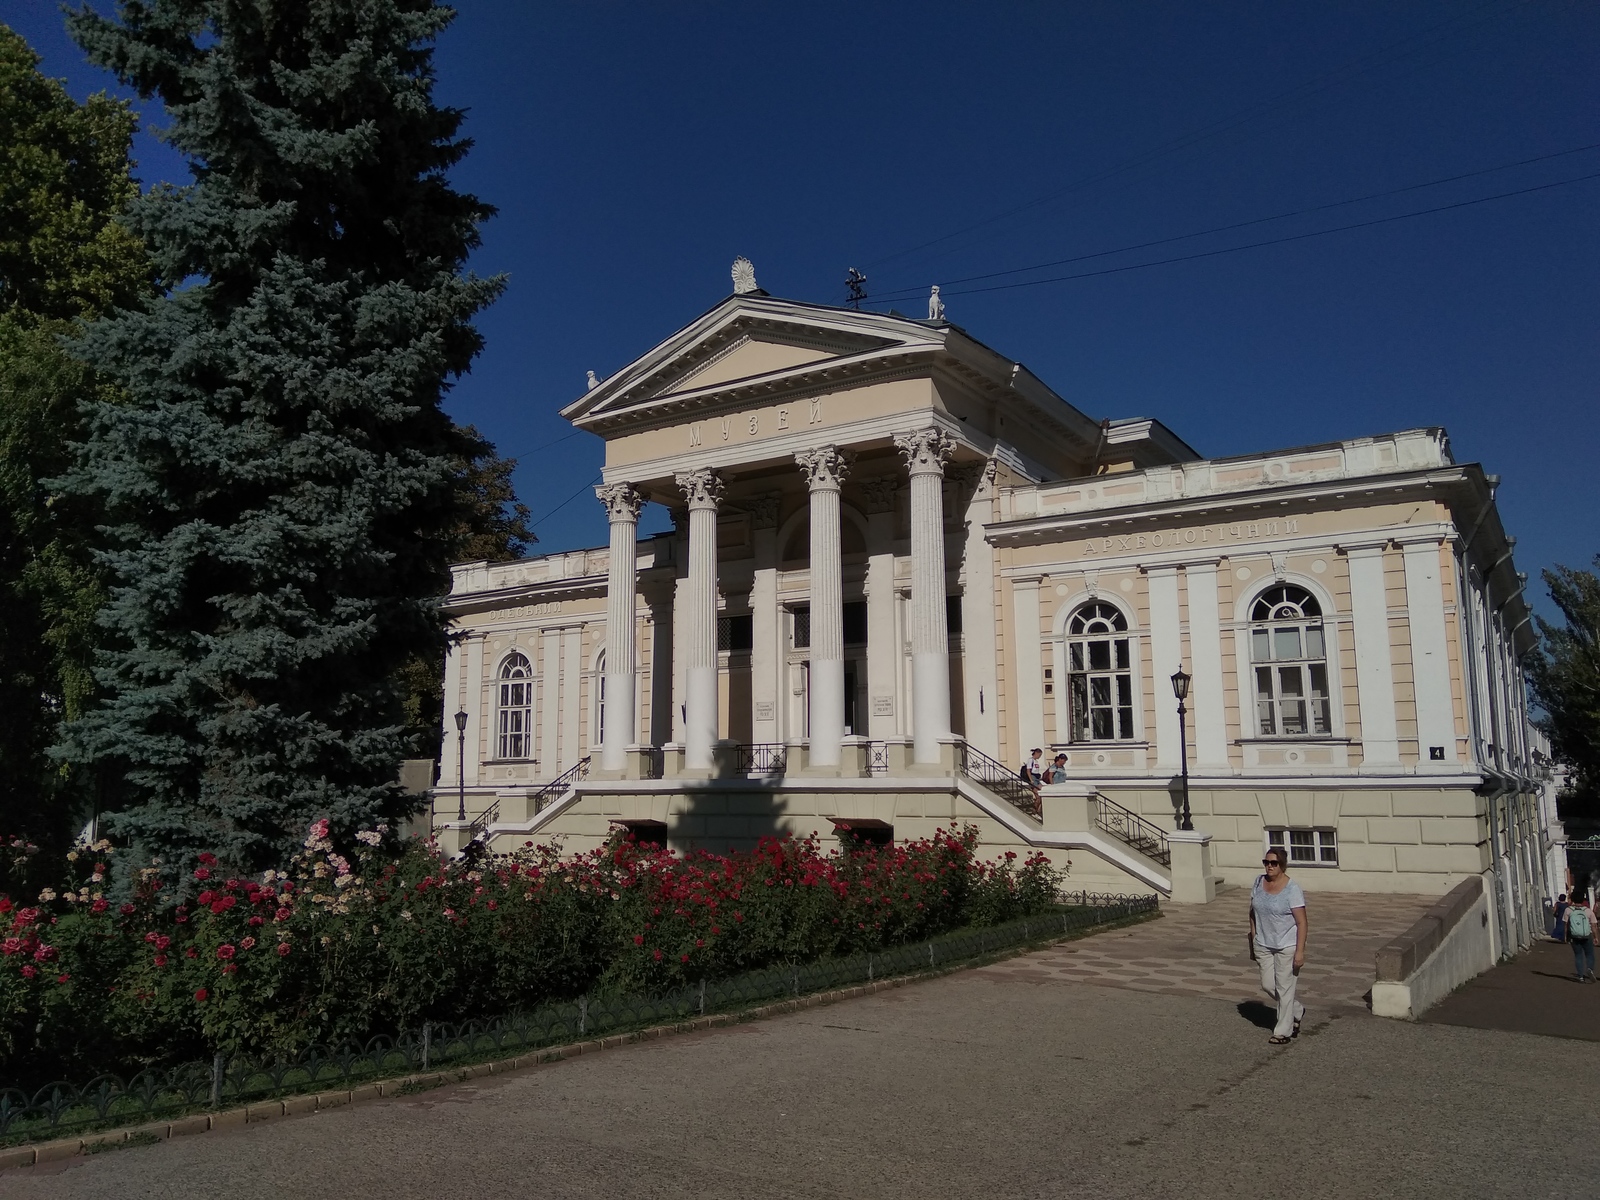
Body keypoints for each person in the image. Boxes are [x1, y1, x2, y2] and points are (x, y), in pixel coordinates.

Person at [1248, 847, 1307, 1044]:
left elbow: (1302, 922)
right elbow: (1252, 911)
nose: (1269, 866)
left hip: (1286, 945)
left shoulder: (1292, 889)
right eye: (1266, 862)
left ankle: (1283, 1031)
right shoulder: (1258, 882)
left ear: (1282, 865)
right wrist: (1253, 936)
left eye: (1274, 863)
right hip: (1263, 943)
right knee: (1267, 984)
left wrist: (1300, 951)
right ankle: (1297, 1010)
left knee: (1285, 988)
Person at [1563, 890, 1596, 983]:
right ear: (1583, 900)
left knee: (1578, 955)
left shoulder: (1568, 910)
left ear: (1572, 899)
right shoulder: (1588, 911)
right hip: (1587, 935)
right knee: (1590, 954)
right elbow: (1593, 925)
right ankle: (1590, 968)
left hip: (1574, 935)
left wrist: (1565, 936)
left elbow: (1566, 925)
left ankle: (1580, 976)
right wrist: (1596, 936)